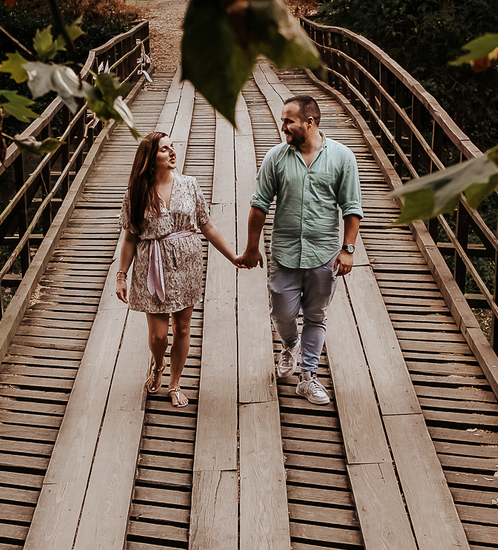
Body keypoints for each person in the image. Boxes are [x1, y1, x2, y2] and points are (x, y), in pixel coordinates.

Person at [238, 95, 362, 405]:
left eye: (288, 121)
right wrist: (252, 247)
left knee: (316, 316)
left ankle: (309, 377)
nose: (283, 127)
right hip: (285, 252)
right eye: (283, 121)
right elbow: (259, 205)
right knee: (283, 314)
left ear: (310, 122)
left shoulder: (342, 158)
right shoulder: (276, 158)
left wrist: (348, 249)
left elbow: (352, 207)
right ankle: (289, 344)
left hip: (324, 253)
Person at [117, 131, 238, 407]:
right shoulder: (136, 192)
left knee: (182, 328)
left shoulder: (189, 184)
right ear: (150, 158)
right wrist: (121, 276)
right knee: (159, 335)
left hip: (187, 264)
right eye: (164, 149)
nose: (172, 153)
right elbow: (130, 237)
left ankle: (174, 382)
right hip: (152, 266)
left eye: (173, 147)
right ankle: (158, 363)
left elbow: (206, 225)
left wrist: (232, 256)